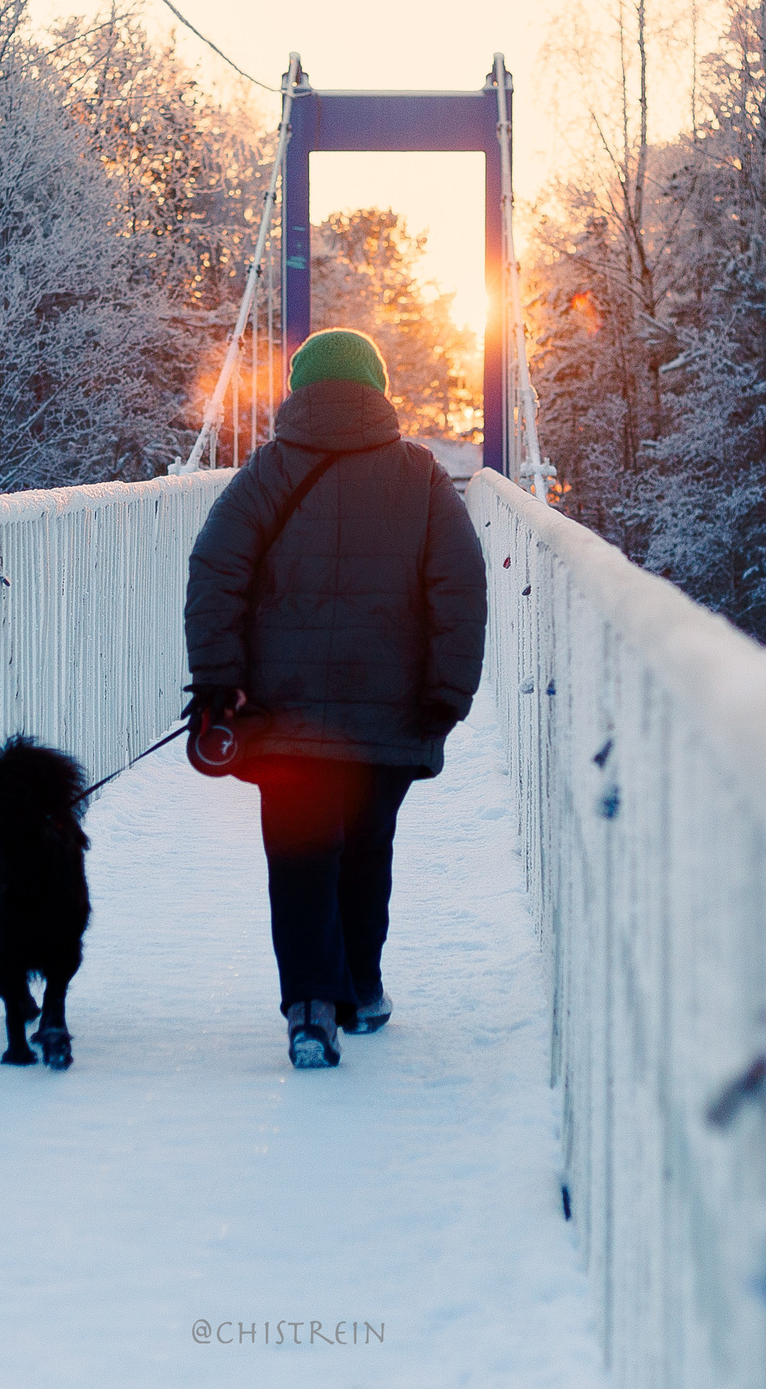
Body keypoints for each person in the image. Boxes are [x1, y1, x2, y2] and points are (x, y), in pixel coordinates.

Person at [183, 327, 487, 1070]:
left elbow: (213, 572)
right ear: (377, 389)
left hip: (283, 719)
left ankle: (312, 1007)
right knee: (366, 847)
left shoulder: (265, 473)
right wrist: (448, 689)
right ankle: (364, 986)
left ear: (301, 390)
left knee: (298, 853)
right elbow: (461, 585)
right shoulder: (422, 476)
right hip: (390, 714)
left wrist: (219, 678)